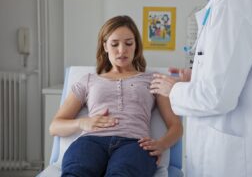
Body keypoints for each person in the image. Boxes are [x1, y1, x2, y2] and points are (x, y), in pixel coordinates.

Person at [150, 0, 252, 176]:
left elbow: (216, 96)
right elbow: (244, 74)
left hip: (234, 161)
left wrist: (172, 90)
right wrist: (198, 76)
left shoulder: (232, 3)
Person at [49, 15, 183, 177]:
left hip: (135, 144)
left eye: (128, 43)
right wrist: (82, 123)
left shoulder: (153, 79)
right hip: (90, 142)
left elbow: (175, 125)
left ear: (136, 46)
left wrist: (162, 144)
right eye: (114, 44)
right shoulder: (88, 80)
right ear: (105, 46)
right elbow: (55, 126)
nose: (122, 50)